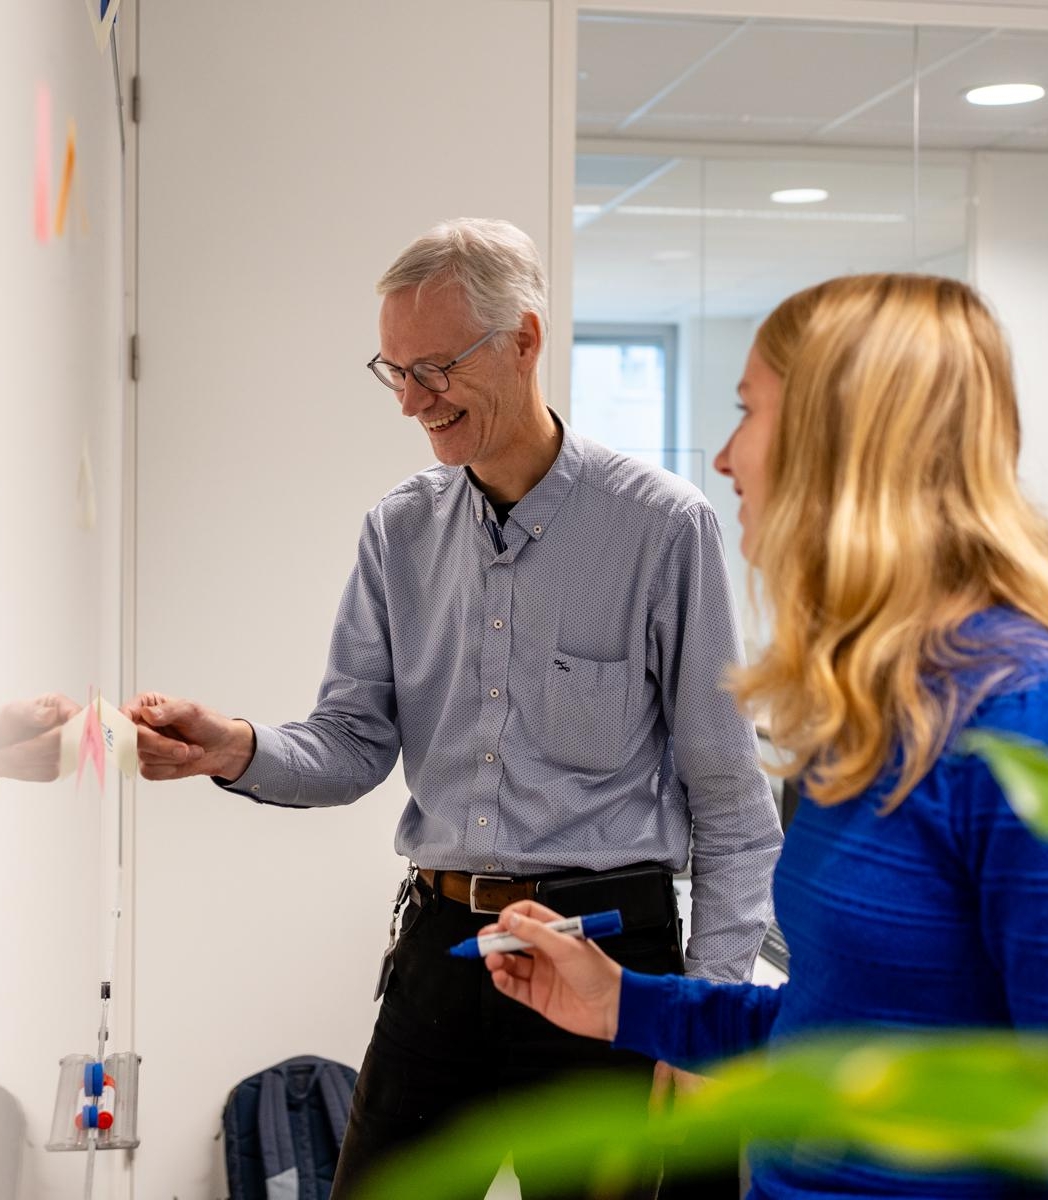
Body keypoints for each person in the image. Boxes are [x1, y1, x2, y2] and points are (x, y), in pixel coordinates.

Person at [124, 218, 781, 1198]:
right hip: (446, 949)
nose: (412, 403)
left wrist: (703, 1018)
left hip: (609, 957)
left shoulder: (660, 528)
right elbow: (351, 742)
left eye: (434, 368)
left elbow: (730, 800)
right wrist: (237, 748)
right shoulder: (400, 531)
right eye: (393, 372)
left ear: (524, 341)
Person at [482, 273, 1048, 1200]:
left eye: (749, 412)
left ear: (844, 442)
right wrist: (621, 1001)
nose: (727, 457)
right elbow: (833, 1033)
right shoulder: (868, 711)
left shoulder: (1020, 722)